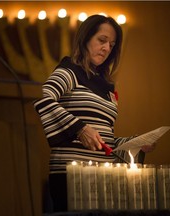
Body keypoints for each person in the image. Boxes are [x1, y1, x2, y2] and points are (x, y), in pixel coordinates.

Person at [34, 14, 155, 213]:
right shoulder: (70, 71)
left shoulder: (107, 87)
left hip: (103, 179)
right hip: (71, 177)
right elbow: (41, 97)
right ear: (85, 38)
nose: (107, 48)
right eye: (102, 40)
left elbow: (102, 139)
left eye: (112, 44)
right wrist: (79, 128)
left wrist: (134, 143)